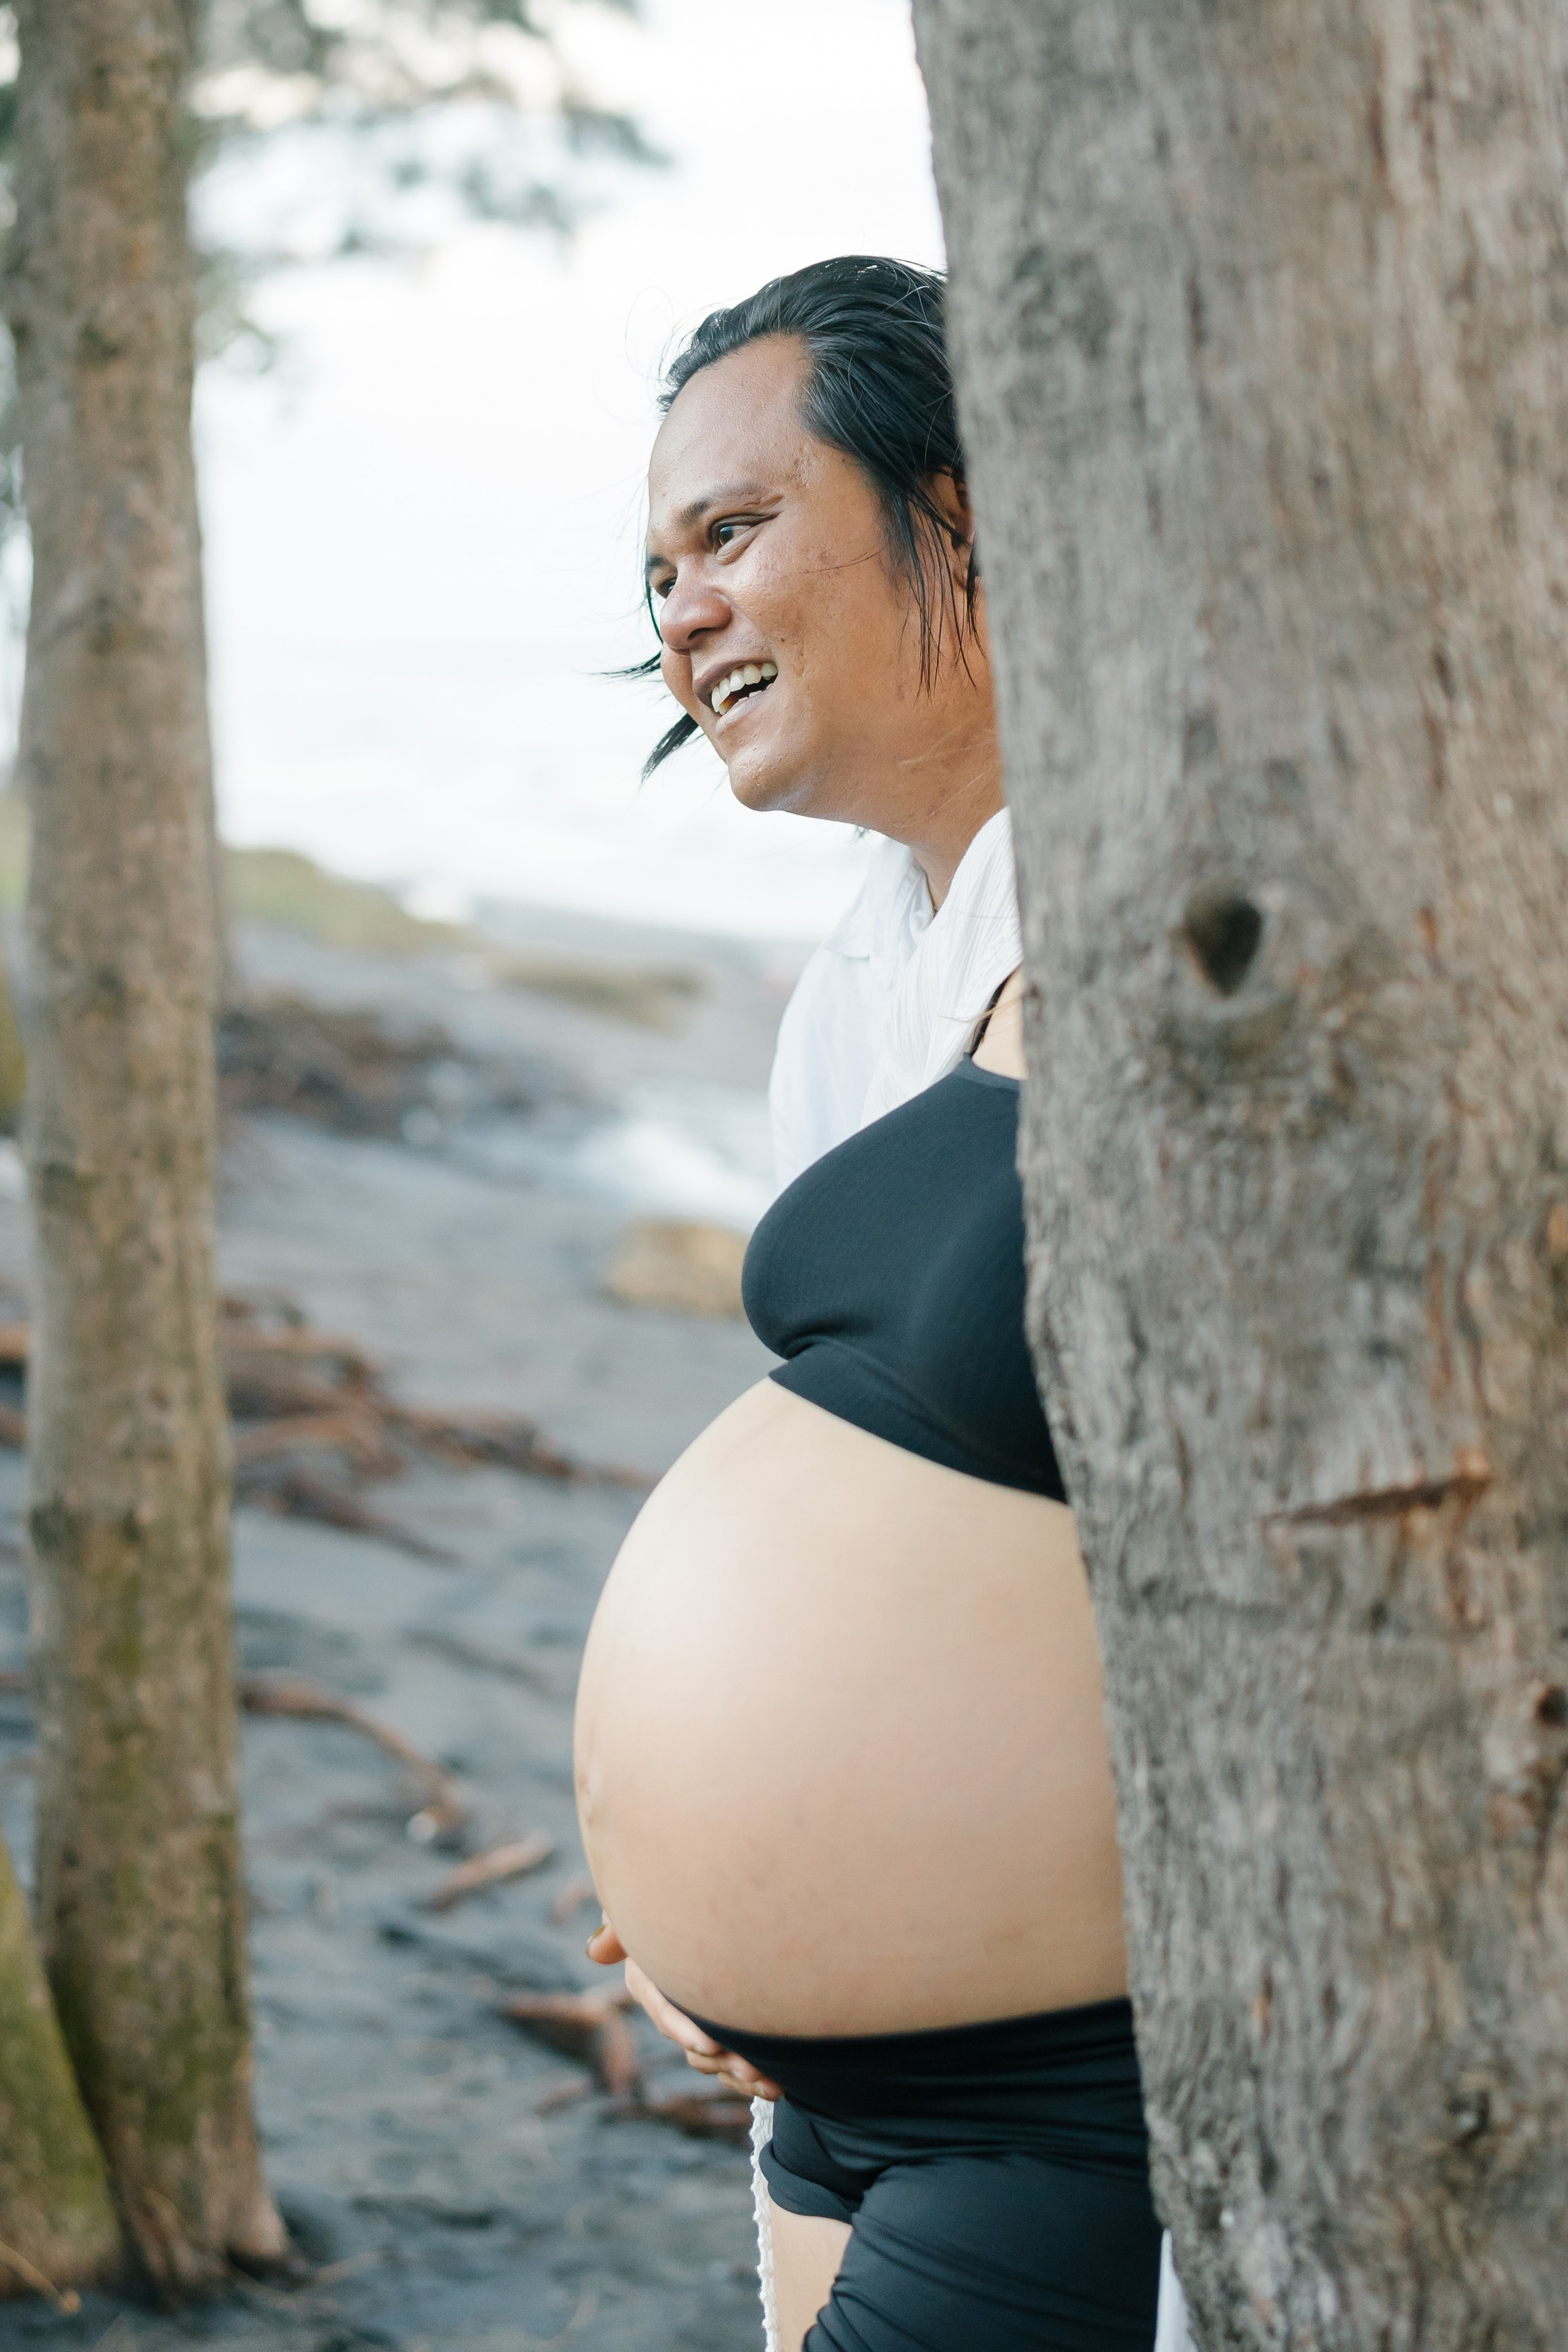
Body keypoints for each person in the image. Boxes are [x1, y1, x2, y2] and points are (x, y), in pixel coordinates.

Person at [575, 257, 1166, 2351]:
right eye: (660, 567)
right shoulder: (856, 980)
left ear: (971, 511)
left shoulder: (1192, 916)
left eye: (732, 532)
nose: (681, 609)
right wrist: (716, 1898)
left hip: (1074, 2069)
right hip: (821, 2095)